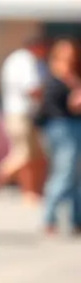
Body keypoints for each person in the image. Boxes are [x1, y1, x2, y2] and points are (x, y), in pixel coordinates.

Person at [0, 36, 49, 200]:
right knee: (23, 154)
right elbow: (33, 89)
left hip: (19, 114)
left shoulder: (18, 59)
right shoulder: (25, 60)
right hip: (21, 115)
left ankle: (30, 192)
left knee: (32, 156)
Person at [39, 38, 81, 235]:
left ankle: (76, 219)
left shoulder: (66, 76)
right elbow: (74, 104)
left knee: (73, 175)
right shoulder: (59, 77)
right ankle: (49, 216)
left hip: (68, 126)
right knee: (65, 173)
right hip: (63, 127)